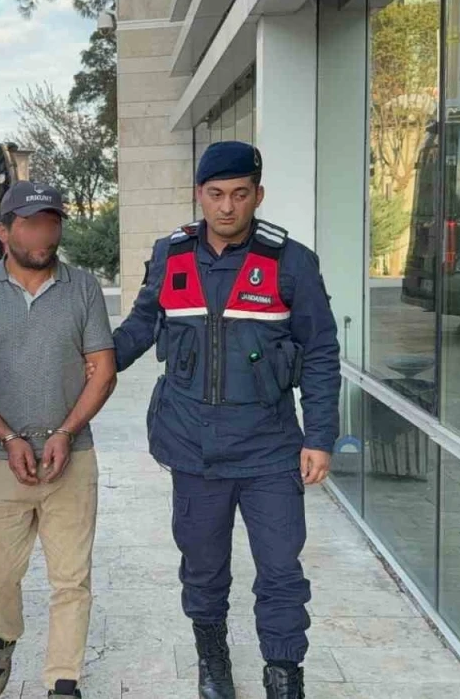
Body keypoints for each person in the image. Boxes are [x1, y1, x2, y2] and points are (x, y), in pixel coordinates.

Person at [112, 141, 340, 699]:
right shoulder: (171, 255)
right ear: (199, 194)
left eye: (240, 194)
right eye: (216, 194)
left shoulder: (291, 261)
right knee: (204, 569)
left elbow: (320, 352)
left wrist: (320, 436)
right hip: (193, 449)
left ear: (258, 195)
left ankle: (284, 674)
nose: (227, 207)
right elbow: (139, 328)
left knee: (281, 570)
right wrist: (81, 364)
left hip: (269, 450)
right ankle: (212, 660)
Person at [0, 181, 117, 699]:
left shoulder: (83, 288)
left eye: (52, 222)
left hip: (71, 457)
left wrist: (66, 430)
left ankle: (63, 681)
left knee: (72, 579)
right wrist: (7, 436)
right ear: (3, 231)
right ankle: (3, 632)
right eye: (30, 223)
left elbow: (103, 372)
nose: (44, 233)